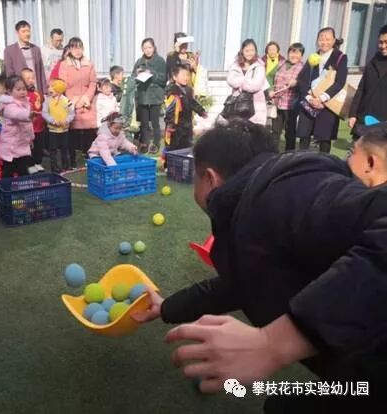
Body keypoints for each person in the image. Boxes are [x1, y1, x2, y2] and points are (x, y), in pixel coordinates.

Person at [133, 120, 387, 411]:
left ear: (210, 178)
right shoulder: (252, 207)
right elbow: (243, 282)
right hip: (359, 360)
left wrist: (275, 342)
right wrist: (167, 307)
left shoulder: (288, 191)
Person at [297, 27, 347, 153]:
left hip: (327, 104)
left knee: (324, 140)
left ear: (334, 40)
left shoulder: (340, 57)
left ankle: (324, 164)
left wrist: (321, 98)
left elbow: (340, 82)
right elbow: (302, 79)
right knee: (304, 138)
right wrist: (309, 98)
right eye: (321, 39)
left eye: (328, 39)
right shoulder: (313, 57)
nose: (324, 42)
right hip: (309, 102)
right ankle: (302, 162)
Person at [58, 37, 97, 167]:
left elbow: (93, 83)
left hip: (87, 102)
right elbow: (62, 84)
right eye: (74, 47)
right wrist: (73, 100)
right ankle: (72, 160)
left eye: (80, 47)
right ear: (69, 49)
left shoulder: (89, 64)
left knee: (89, 132)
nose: (78, 50)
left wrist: (86, 98)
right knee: (73, 132)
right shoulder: (64, 65)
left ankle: (90, 158)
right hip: (71, 102)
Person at [349, 24, 387, 137]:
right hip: (364, 119)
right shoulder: (372, 63)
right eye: (380, 42)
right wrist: (353, 114)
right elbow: (361, 90)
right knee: (356, 148)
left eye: (386, 42)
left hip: (384, 124)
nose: (383, 46)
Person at [132, 38, 167, 154]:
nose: (147, 50)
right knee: (144, 123)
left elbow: (163, 79)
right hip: (143, 95)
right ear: (142, 49)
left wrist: (152, 73)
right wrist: (137, 74)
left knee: (155, 123)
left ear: (154, 47)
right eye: (145, 48)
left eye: (149, 47)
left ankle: (156, 144)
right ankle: (145, 144)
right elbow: (133, 78)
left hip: (155, 96)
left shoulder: (160, 61)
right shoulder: (139, 61)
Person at [164, 64, 207, 157]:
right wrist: (170, 124)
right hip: (175, 126)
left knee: (186, 147)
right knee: (173, 148)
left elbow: (193, 102)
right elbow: (169, 110)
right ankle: (170, 163)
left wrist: (201, 111)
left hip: (187, 125)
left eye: (187, 75)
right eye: (183, 75)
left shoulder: (188, 90)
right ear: (175, 77)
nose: (186, 78)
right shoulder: (172, 91)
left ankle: (184, 162)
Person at [0, 75, 36, 178]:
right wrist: (28, 115)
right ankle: (5, 187)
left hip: (22, 145)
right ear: (9, 91)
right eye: (18, 89)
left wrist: (30, 139)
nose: (22, 92)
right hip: (11, 148)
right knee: (8, 172)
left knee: (23, 172)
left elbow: (28, 126)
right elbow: (16, 114)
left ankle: (24, 186)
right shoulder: (9, 105)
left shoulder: (26, 103)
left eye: (24, 89)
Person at [269, 43, 305, 149]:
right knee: (275, 131)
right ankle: (272, 153)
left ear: (302, 55)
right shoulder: (281, 64)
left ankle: (289, 154)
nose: (294, 55)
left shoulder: (303, 68)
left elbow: (306, 83)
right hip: (277, 103)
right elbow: (269, 77)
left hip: (292, 104)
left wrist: (297, 82)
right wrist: (270, 89)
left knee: (290, 132)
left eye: (298, 53)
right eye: (292, 52)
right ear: (288, 53)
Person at [225, 38, 268, 125]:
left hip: (255, 107)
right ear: (242, 51)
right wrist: (246, 81)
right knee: (236, 129)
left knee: (254, 130)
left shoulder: (259, 66)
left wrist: (240, 82)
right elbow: (231, 80)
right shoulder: (235, 65)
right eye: (247, 51)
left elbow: (256, 85)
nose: (249, 53)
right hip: (237, 105)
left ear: (255, 51)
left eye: (252, 50)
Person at [4, 20, 47, 94]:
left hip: (36, 91)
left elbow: (41, 71)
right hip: (20, 92)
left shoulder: (36, 49)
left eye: (28, 31)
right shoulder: (9, 50)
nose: (27, 34)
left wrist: (45, 91)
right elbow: (9, 73)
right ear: (17, 33)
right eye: (23, 31)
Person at [42, 78, 75, 172]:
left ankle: (66, 166)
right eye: (49, 87)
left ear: (59, 90)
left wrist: (66, 121)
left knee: (65, 149)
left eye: (52, 88)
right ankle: (55, 168)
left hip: (64, 130)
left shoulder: (67, 101)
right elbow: (44, 113)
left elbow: (72, 113)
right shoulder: (47, 101)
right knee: (53, 150)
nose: (50, 89)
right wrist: (52, 121)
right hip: (53, 130)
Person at [21, 67, 45, 172]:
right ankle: (30, 164)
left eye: (32, 78)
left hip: (39, 126)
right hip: (28, 127)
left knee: (39, 146)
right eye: (28, 78)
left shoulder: (37, 93)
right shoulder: (22, 95)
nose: (31, 80)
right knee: (29, 147)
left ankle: (38, 162)